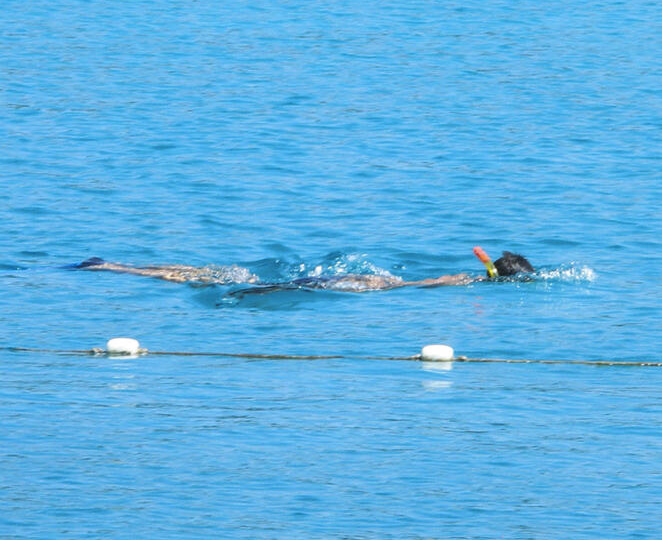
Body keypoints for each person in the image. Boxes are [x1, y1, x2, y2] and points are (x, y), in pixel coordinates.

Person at [71, 250, 535, 290]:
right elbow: (424, 285)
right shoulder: (466, 282)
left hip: (362, 284)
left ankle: (117, 267)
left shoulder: (470, 278)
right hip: (357, 287)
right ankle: (115, 268)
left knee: (218, 275)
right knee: (251, 283)